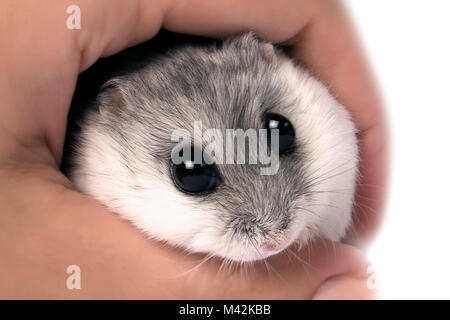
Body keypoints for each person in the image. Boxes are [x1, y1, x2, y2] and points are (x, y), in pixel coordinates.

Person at [0, 0, 387, 299]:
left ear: (269, 60)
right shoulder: (94, 156)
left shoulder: (296, 86)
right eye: (194, 172)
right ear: (114, 124)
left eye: (278, 138)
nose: (274, 230)